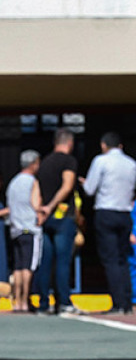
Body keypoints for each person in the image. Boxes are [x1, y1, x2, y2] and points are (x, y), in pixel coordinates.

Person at [81, 132, 136, 315]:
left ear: (104, 145)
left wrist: (84, 183)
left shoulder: (101, 161)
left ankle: (118, 302)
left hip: (106, 211)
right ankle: (127, 302)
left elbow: (90, 189)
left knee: (110, 260)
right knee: (123, 259)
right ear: (120, 146)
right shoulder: (131, 163)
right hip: (124, 213)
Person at [31, 129, 82, 315]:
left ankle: (43, 303)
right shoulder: (69, 161)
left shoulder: (44, 163)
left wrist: (39, 211)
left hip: (46, 219)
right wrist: (51, 206)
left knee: (45, 261)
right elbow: (67, 186)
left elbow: (35, 189)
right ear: (69, 143)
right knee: (62, 261)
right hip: (62, 217)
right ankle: (64, 302)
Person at [6, 151, 43, 312]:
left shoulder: (13, 183)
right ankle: (25, 301)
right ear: (33, 163)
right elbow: (35, 203)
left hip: (16, 228)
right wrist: (41, 211)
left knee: (18, 266)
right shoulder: (32, 182)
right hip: (30, 228)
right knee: (28, 266)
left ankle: (17, 300)